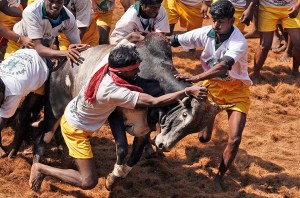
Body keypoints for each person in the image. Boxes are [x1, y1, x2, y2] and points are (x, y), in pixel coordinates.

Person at [28, 44, 206, 191]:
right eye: (134, 69)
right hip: (76, 130)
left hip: (82, 119)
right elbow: (154, 101)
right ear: (122, 72)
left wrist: (135, 38)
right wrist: (186, 91)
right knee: (88, 181)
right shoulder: (111, 91)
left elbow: (127, 42)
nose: (138, 71)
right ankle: (41, 169)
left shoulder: (109, 62)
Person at [170, 0, 251, 191]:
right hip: (212, 88)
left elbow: (222, 66)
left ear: (232, 20)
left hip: (237, 92)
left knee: (235, 138)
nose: (215, 24)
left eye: (220, 21)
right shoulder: (208, 32)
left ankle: (219, 177)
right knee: (204, 138)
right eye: (214, 20)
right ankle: (209, 119)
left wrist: (195, 77)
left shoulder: (239, 42)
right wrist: (148, 36)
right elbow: (175, 40)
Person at [0, 48, 50, 157]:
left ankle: (14, 149)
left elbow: (2, 120)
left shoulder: (14, 90)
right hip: (23, 53)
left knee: (25, 113)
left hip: (41, 68)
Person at [4, 0, 81, 62]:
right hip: (19, 44)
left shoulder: (69, 18)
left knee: (44, 79)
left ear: (64, 1)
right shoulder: (32, 12)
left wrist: (74, 48)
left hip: (45, 49)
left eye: (59, 2)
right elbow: (39, 49)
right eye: (51, 1)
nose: (54, 5)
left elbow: (77, 45)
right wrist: (65, 53)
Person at [252, 0, 300, 79]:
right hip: (267, 9)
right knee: (265, 45)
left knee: (298, 42)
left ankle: (295, 71)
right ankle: (255, 74)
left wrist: (297, 6)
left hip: (291, 8)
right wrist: (250, 9)